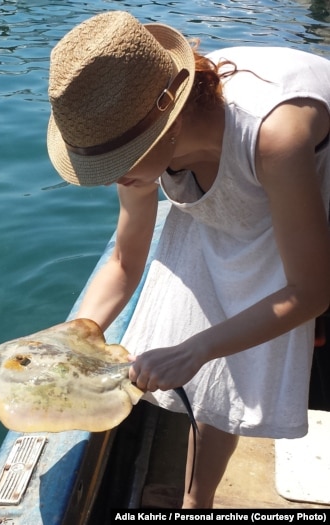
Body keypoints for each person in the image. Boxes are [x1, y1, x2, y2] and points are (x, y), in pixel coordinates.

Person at [46, 11, 330, 508]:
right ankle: (197, 502)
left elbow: (311, 291)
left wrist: (196, 349)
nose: (111, 177)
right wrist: (72, 338)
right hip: (246, 176)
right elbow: (123, 260)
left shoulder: (274, 136)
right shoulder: (133, 132)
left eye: (118, 163)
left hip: (313, 181)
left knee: (288, 347)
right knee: (213, 327)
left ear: (165, 127)